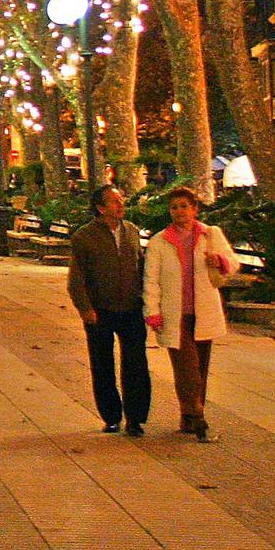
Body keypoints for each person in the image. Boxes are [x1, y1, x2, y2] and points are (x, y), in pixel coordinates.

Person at [145, 187, 238, 442]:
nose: (179, 212)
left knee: (201, 366)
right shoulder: (159, 242)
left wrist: (220, 262)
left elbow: (233, 261)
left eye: (184, 206)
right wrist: (152, 311)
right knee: (187, 367)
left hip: (203, 312)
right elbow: (151, 280)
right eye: (174, 207)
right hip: (175, 314)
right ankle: (198, 417)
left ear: (194, 209)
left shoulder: (210, 235)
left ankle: (189, 416)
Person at [67, 184, 151, 436]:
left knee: (136, 363)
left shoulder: (132, 232)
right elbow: (76, 277)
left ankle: (135, 418)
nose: (120, 204)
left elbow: (142, 268)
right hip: (100, 309)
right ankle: (111, 416)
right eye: (114, 201)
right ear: (101, 208)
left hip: (131, 308)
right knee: (102, 364)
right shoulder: (84, 236)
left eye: (120, 200)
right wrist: (85, 307)